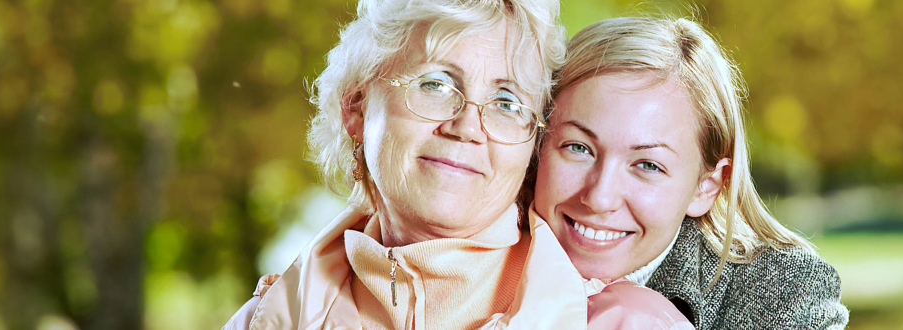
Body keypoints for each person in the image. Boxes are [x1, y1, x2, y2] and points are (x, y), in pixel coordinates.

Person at [221, 0, 582, 328]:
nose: (467, 127)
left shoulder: (600, 317)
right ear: (356, 106)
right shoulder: (266, 319)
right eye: (436, 84)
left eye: (507, 103)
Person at [532, 17, 849, 329]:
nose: (599, 198)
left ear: (706, 187)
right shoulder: (488, 255)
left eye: (648, 165)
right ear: (538, 142)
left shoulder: (783, 297)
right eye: (578, 148)